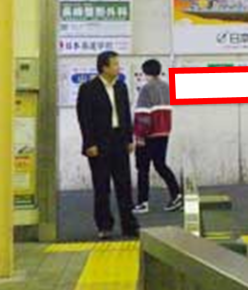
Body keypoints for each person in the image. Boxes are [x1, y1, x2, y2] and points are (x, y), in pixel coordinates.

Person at [76, 51, 139, 239]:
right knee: (102, 186)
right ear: (104, 67)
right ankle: (104, 225)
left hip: (119, 140)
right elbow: (84, 118)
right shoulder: (88, 88)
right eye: (115, 64)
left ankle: (129, 225)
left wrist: (129, 139)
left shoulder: (121, 87)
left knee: (124, 185)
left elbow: (126, 114)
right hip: (99, 142)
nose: (118, 67)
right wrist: (89, 143)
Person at [132, 59, 183, 213]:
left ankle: (143, 202)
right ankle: (176, 195)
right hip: (163, 132)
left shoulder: (146, 89)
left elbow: (143, 114)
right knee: (160, 165)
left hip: (148, 134)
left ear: (145, 72)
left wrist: (140, 135)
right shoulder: (167, 87)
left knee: (143, 168)